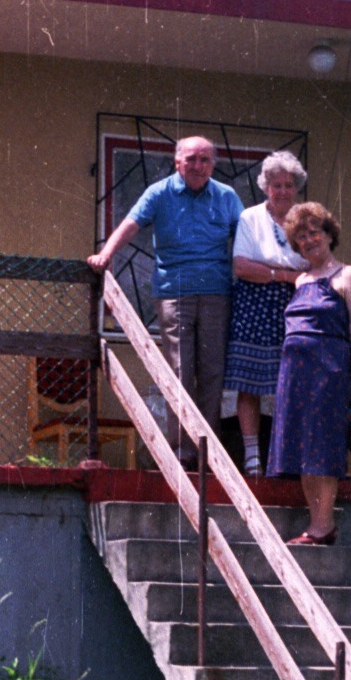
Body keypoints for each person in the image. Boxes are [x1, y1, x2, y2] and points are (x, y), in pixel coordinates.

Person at [87, 136, 243, 467]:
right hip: (175, 291)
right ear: (177, 162)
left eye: (205, 159)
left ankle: (208, 454)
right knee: (180, 370)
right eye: (192, 159)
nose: (199, 166)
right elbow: (130, 224)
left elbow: (246, 237)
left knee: (213, 372)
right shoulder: (159, 193)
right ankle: (183, 451)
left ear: (213, 164)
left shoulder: (226, 197)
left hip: (216, 292)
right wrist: (106, 255)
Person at [267, 202, 351, 545]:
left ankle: (323, 525)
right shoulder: (299, 280)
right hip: (294, 373)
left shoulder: (347, 276)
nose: (308, 240)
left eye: (314, 232)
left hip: (328, 371)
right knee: (300, 447)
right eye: (300, 236)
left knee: (322, 446)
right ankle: (316, 524)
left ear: (329, 234)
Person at [223, 151, 309, 477]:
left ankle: (284, 456)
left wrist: (270, 268)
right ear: (266, 186)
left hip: (295, 306)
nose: (283, 191)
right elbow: (242, 266)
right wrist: (285, 273)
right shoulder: (250, 218)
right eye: (276, 185)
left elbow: (313, 264)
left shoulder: (305, 221)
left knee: (290, 383)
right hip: (254, 305)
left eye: (288, 185)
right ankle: (252, 457)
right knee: (250, 384)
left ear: (296, 187)